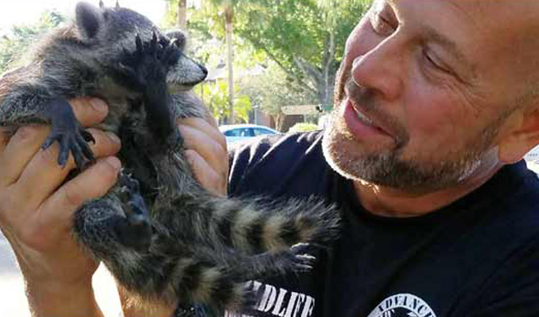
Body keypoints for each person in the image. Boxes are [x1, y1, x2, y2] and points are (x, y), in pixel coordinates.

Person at [1, 0, 539, 316]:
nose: (366, 71)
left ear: (526, 126)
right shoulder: (244, 169)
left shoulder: (520, 270)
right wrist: (57, 282)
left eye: (437, 63)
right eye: (384, 17)